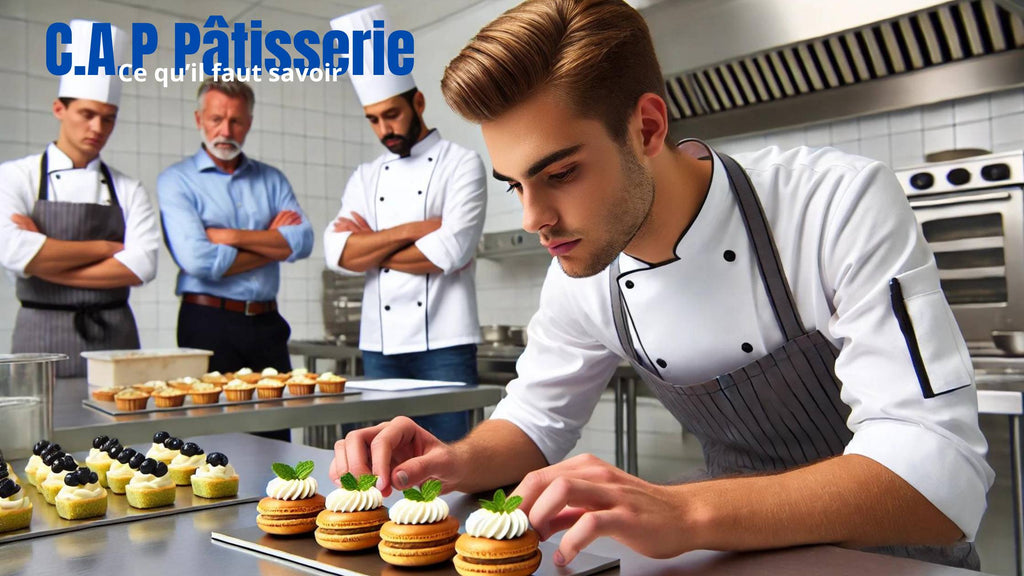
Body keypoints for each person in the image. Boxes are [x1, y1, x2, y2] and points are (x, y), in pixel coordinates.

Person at [330, 0, 995, 570]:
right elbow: (535, 418)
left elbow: (939, 478)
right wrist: (448, 462)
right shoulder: (585, 269)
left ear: (647, 127)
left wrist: (686, 508)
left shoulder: (833, 204)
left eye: (559, 174)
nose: (534, 218)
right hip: (736, 564)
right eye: (515, 185)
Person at [323, 6, 487, 442]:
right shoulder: (366, 176)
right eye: (374, 120)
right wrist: (413, 230)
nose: (384, 129)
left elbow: (451, 252)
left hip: (446, 345)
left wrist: (371, 249)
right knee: (379, 465)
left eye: (391, 115)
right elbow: (337, 254)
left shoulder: (462, 164)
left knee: (451, 463)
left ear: (418, 102)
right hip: (379, 347)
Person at [0, 20, 160, 377]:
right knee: (40, 433)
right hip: (38, 340)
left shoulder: (128, 188)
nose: (97, 129)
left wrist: (42, 262)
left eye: (108, 119)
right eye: (86, 114)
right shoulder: (14, 176)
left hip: (114, 340)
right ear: (59, 109)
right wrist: (106, 249)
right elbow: (11, 250)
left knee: (117, 433)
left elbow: (143, 265)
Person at [157, 78, 313, 379]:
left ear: (249, 123)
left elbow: (304, 241)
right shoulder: (176, 180)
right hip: (206, 322)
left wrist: (228, 237)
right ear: (199, 119)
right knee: (214, 425)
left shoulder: (272, 179)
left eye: (236, 121)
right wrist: (274, 244)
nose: (226, 131)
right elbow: (198, 260)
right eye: (216, 119)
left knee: (276, 422)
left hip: (267, 322)